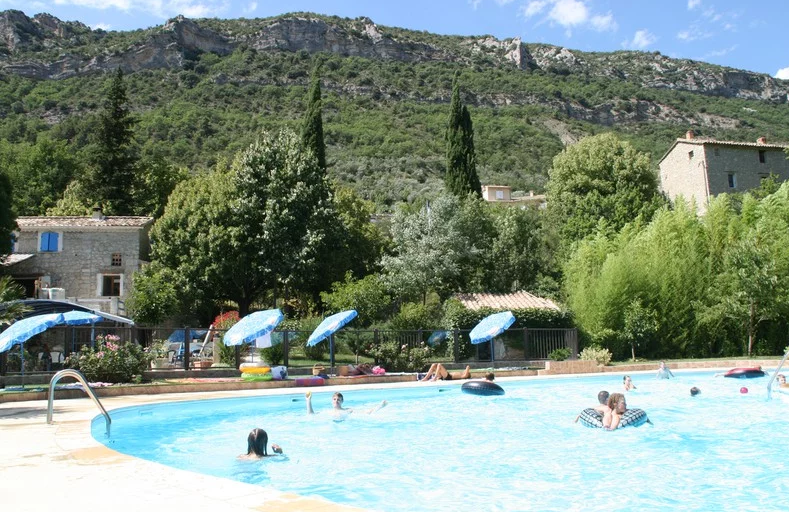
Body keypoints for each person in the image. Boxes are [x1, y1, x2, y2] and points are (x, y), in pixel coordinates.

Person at [305, 391, 386, 416]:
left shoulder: (348, 410)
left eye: (339, 400)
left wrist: (379, 406)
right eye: (334, 399)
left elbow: (368, 412)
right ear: (331, 401)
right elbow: (311, 415)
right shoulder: (327, 412)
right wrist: (308, 401)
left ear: (342, 401)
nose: (336, 401)